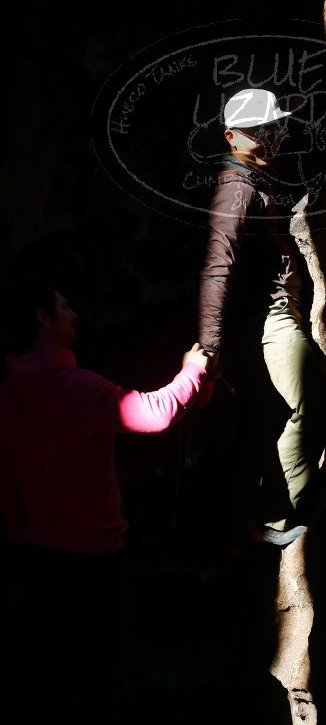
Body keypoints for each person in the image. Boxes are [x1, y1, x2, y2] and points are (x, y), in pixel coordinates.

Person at [0, 281, 210, 723]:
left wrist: (21, 533)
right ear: (43, 318)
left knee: (53, 672)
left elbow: (7, 476)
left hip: (38, 553)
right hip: (92, 559)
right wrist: (192, 371)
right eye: (64, 306)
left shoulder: (9, 392)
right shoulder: (72, 386)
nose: (74, 313)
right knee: (97, 675)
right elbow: (154, 413)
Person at [198, 88, 326, 547]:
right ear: (232, 136)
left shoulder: (254, 180)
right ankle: (279, 515)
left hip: (276, 311)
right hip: (269, 317)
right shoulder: (235, 189)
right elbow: (217, 266)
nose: (268, 138)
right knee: (300, 405)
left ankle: (275, 509)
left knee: (287, 406)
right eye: (256, 132)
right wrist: (209, 349)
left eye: (271, 128)